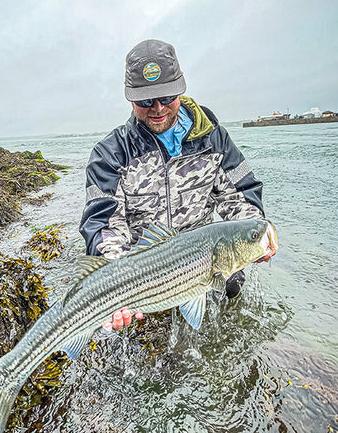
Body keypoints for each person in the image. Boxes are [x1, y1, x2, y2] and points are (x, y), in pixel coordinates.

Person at [79, 39, 271, 328]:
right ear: (130, 98)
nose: (157, 109)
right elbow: (104, 225)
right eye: (145, 101)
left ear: (180, 88)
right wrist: (116, 283)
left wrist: (251, 239)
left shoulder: (213, 138)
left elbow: (240, 196)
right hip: (143, 275)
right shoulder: (109, 155)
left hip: (206, 262)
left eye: (167, 97)